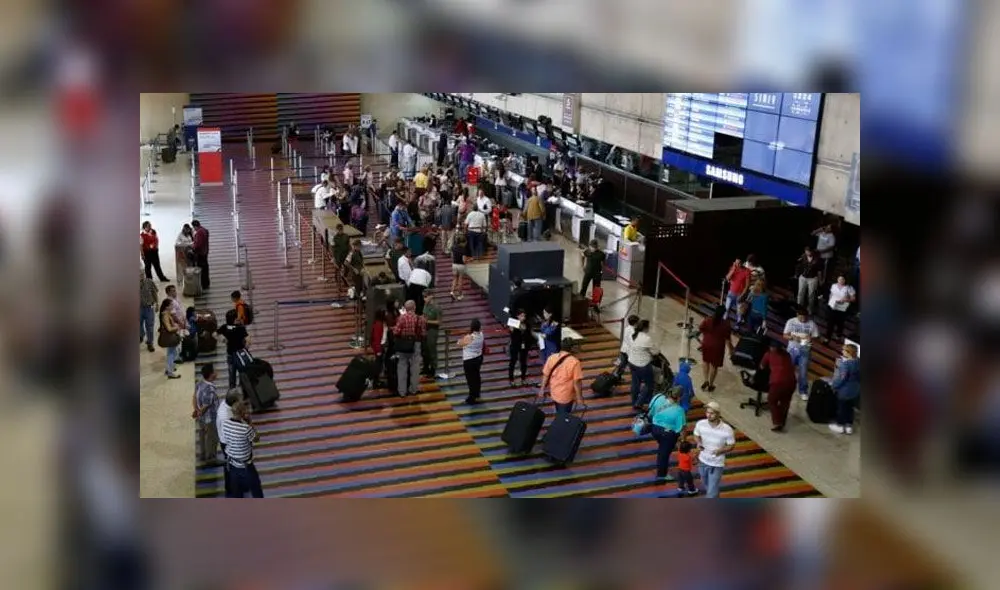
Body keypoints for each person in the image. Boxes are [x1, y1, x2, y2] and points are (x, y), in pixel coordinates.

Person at [693, 401, 736, 498]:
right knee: (708, 486)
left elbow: (731, 445)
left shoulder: (727, 429)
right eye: (707, 412)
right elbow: (696, 435)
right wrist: (699, 442)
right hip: (702, 461)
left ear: (718, 414)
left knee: (711, 491)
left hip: (716, 463)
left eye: (712, 413)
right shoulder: (701, 424)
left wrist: (720, 451)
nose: (709, 415)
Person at [222, 400, 264, 498]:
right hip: (246, 466)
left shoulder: (225, 424)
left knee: (237, 493)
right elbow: (256, 439)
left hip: (232, 464)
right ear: (242, 413)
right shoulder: (245, 429)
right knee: (256, 490)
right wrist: (250, 423)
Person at [647, 386, 686, 483]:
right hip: (667, 434)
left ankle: (662, 468)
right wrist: (683, 440)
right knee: (663, 453)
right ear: (679, 397)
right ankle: (662, 474)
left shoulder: (658, 397)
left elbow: (650, 412)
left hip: (654, 429)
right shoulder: (679, 410)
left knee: (662, 447)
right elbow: (681, 428)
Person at [539, 338, 585, 418]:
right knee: (563, 416)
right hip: (566, 395)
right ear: (572, 348)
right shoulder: (575, 362)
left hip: (554, 391)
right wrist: (579, 397)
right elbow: (576, 382)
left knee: (558, 411)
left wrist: (542, 389)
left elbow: (545, 375)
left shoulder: (552, 358)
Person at [760, 339, 797, 432]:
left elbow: (762, 366)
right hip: (791, 381)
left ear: (771, 347)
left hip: (778, 381)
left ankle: (777, 422)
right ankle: (782, 421)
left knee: (771, 400)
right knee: (785, 402)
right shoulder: (787, 355)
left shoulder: (768, 354)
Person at [783, 307, 819, 401]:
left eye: (805, 318)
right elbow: (785, 335)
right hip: (792, 349)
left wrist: (811, 338)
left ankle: (803, 391)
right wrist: (792, 338)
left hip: (805, 350)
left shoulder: (812, 324)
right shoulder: (791, 321)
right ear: (797, 315)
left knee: (803, 372)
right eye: (801, 317)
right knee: (788, 370)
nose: (803, 319)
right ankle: (786, 386)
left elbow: (816, 337)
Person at [392, 300, 426, 397]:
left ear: (405, 309)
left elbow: (396, 332)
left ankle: (402, 391)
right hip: (415, 345)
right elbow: (423, 334)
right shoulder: (420, 319)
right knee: (415, 369)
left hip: (403, 345)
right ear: (414, 307)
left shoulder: (401, 318)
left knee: (402, 368)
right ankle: (413, 389)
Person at [699, 305, 734, 393]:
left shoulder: (708, 320)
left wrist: (706, 335)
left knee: (706, 361)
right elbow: (728, 338)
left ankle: (706, 380)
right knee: (714, 366)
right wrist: (731, 349)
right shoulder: (726, 324)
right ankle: (711, 385)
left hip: (706, 343)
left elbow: (701, 328)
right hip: (718, 346)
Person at [828, 343, 861, 435]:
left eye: (844, 350)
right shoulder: (859, 362)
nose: (842, 351)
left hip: (844, 391)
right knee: (850, 408)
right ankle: (849, 426)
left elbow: (841, 379)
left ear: (849, 353)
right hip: (855, 390)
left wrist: (834, 385)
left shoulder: (845, 364)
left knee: (842, 408)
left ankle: (840, 425)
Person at [215, 388, 241, 496]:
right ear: (234, 402)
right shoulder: (225, 417)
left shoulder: (224, 404)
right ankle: (232, 488)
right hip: (227, 442)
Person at [193, 363, 221, 463]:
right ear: (211, 374)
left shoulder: (199, 383)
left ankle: (203, 454)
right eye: (215, 371)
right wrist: (200, 412)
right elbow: (206, 405)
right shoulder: (210, 389)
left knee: (202, 435)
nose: (217, 372)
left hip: (201, 417)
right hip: (210, 418)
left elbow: (194, 397)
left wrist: (196, 410)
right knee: (212, 437)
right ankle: (211, 458)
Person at [628, 319, 658, 409]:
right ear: (645, 328)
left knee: (635, 383)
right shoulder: (646, 338)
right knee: (649, 384)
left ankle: (634, 401)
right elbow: (655, 352)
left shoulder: (633, 335)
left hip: (632, 362)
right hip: (642, 365)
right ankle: (640, 402)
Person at [217, 309, 250, 389]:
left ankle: (232, 392)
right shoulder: (240, 328)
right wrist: (246, 347)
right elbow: (248, 339)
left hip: (230, 355)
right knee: (242, 373)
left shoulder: (225, 327)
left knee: (232, 375)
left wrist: (223, 340)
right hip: (240, 355)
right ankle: (241, 390)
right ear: (234, 319)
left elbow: (215, 334)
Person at [458, 319, 485, 405]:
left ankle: (471, 398)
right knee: (477, 377)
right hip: (478, 358)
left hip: (469, 361)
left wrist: (463, 337)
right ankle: (477, 394)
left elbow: (459, 343)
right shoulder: (481, 335)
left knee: (471, 380)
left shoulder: (469, 337)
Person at [825, 274, 856, 342]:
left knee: (840, 323)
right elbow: (831, 294)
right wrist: (829, 302)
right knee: (830, 323)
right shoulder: (834, 285)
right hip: (832, 306)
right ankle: (827, 338)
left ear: (845, 280)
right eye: (839, 279)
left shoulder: (849, 288)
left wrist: (846, 300)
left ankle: (838, 336)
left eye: (842, 279)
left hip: (842, 308)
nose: (841, 281)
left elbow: (853, 299)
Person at [508, 309, 533, 386]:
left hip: (524, 346)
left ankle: (523, 378)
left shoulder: (527, 324)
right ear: (517, 316)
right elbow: (511, 329)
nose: (523, 317)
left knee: (523, 362)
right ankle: (511, 379)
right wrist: (518, 325)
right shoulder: (513, 323)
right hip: (515, 345)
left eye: (524, 316)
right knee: (513, 361)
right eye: (521, 316)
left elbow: (529, 334)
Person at [795, 246, 822, 315]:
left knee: (811, 295)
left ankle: (810, 309)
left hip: (812, 278)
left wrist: (820, 280)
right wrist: (797, 274)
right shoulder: (803, 256)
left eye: (809, 251)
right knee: (800, 293)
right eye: (806, 251)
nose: (807, 253)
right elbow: (798, 265)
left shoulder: (817, 259)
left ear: (812, 251)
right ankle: (799, 308)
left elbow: (819, 271)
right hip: (803, 277)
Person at [158, 298, 182, 379]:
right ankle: (170, 372)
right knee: (171, 354)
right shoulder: (165, 315)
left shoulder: (167, 313)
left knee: (172, 353)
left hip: (169, 337)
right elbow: (169, 329)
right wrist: (176, 327)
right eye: (171, 305)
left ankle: (169, 369)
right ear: (167, 307)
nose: (173, 306)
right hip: (169, 337)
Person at [724, 258, 751, 324]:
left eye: (739, 263)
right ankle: (723, 322)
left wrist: (742, 295)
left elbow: (747, 286)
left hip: (740, 294)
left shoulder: (747, 271)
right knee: (727, 309)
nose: (738, 264)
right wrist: (733, 270)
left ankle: (738, 323)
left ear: (742, 263)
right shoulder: (733, 268)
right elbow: (727, 278)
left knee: (739, 312)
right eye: (736, 263)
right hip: (731, 293)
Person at [421, 292, 442, 378]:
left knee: (431, 349)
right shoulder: (426, 305)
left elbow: (439, 322)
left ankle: (433, 369)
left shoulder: (437, 308)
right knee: (425, 349)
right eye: (423, 297)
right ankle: (425, 367)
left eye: (426, 296)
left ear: (431, 296)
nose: (424, 298)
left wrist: (427, 321)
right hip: (425, 329)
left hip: (432, 330)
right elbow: (424, 315)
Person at [140, 270, 159, 353]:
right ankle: (141, 334)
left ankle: (150, 342)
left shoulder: (149, 282)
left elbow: (155, 293)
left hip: (149, 308)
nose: (140, 276)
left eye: (142, 274)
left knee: (150, 327)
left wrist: (157, 303)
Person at [370, 309, 388, 389]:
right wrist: (378, 350)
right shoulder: (378, 324)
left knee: (379, 364)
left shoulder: (382, 323)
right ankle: (375, 381)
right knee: (378, 364)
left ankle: (376, 380)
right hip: (379, 347)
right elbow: (377, 338)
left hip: (381, 345)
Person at [191, 220, 210, 289]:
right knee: (205, 268)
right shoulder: (205, 230)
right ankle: (207, 283)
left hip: (201, 253)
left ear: (195, 226)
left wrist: (193, 246)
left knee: (202, 269)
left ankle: (204, 284)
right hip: (205, 252)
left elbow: (198, 244)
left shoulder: (199, 232)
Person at [450, 234, 470, 300]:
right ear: (462, 242)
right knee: (460, 280)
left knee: (455, 279)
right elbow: (464, 261)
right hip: (461, 266)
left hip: (454, 265)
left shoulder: (453, 247)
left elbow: (452, 257)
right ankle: (460, 295)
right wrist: (470, 260)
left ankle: (452, 292)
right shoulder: (464, 250)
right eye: (465, 242)